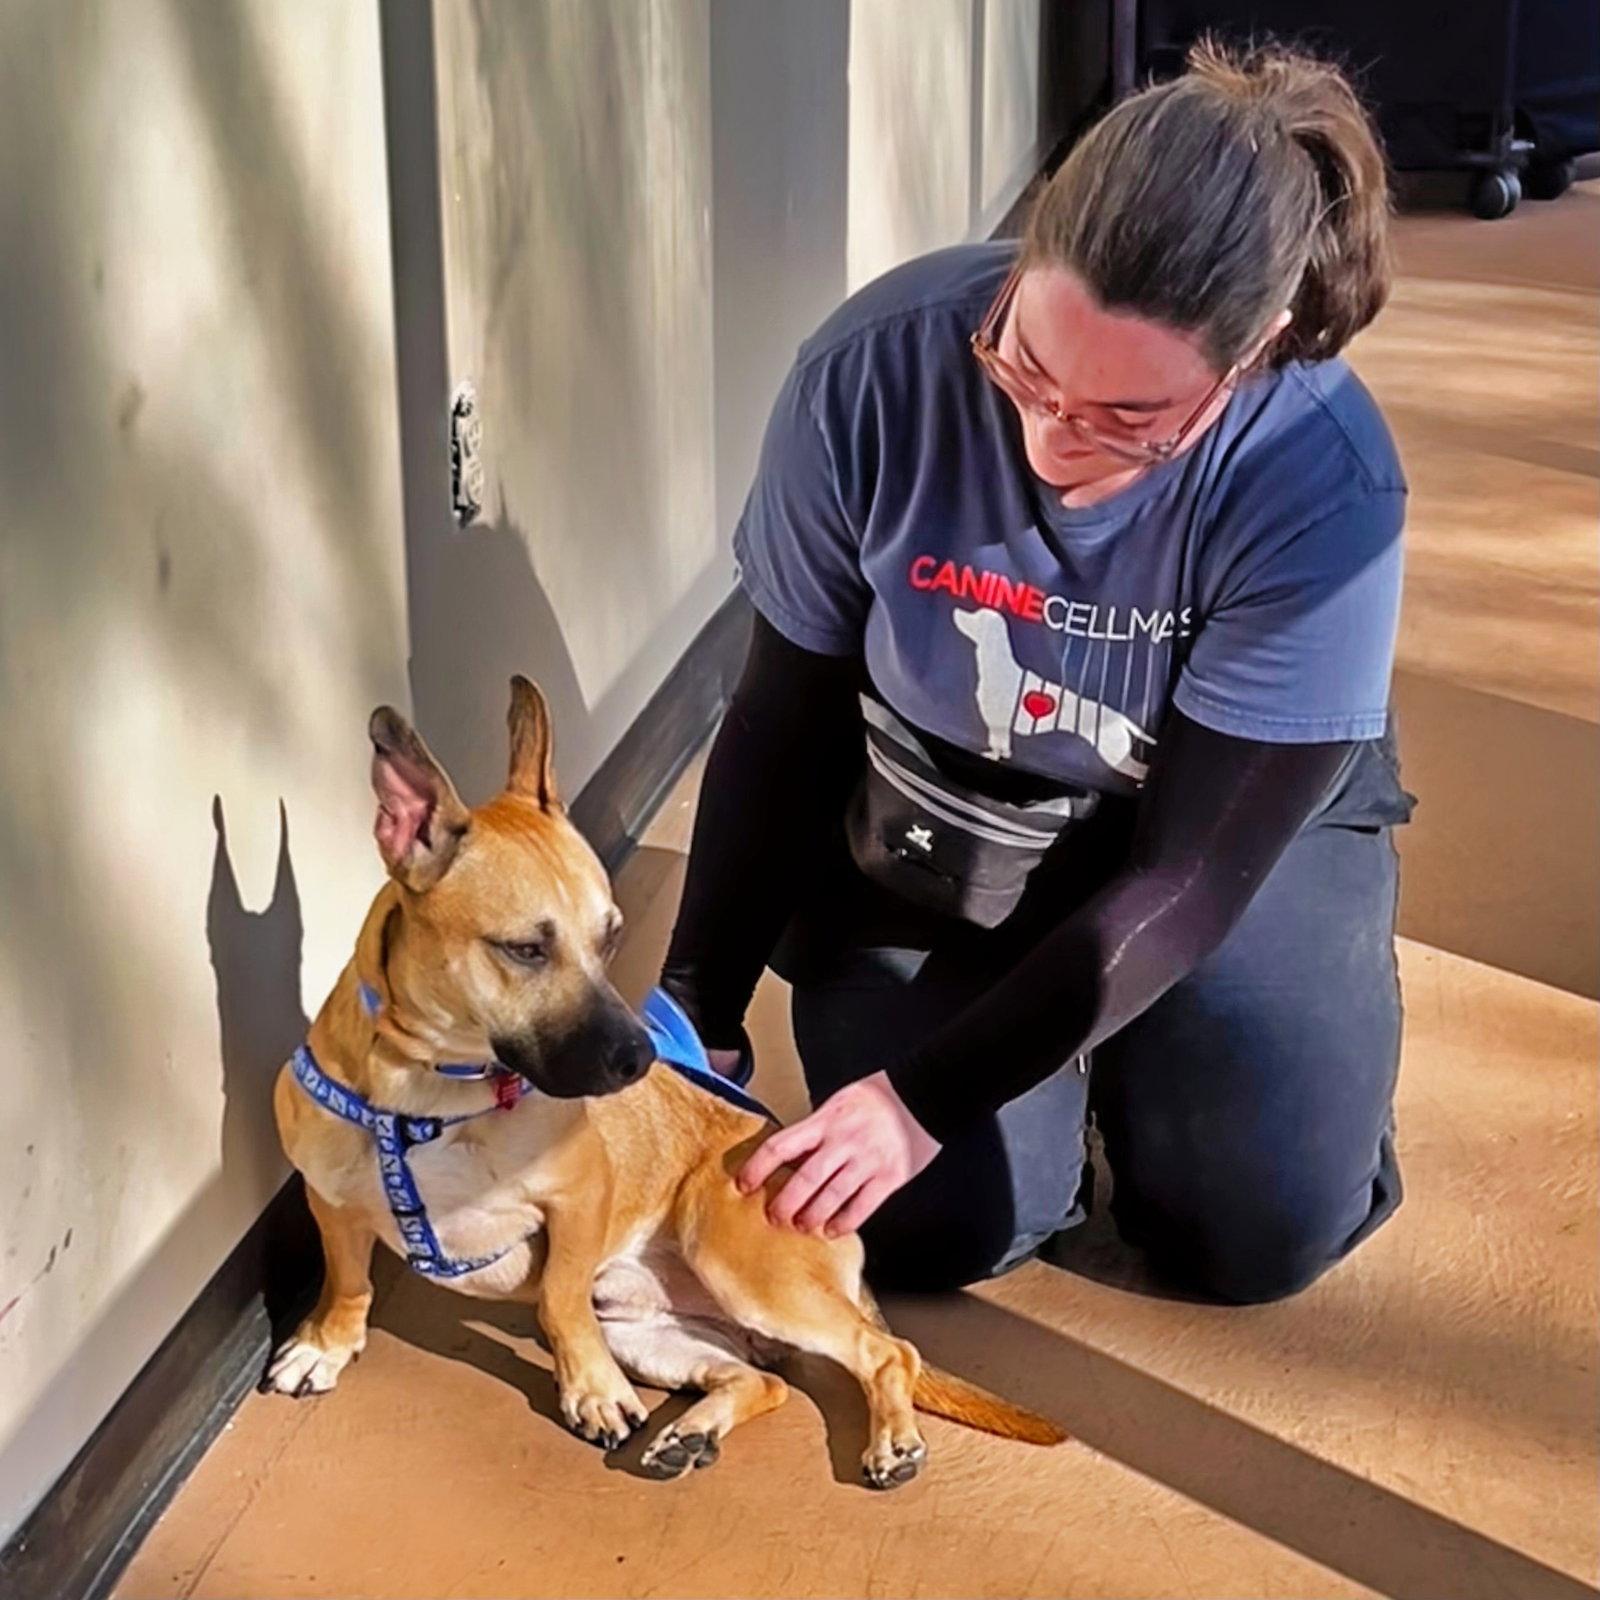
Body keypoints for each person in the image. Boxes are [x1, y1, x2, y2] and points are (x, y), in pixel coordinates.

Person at [657, 39, 1416, 1305]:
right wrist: (694, 1010)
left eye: (1131, 420)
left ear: (1256, 353)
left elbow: (1181, 877)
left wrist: (927, 1094)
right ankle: (1054, 1081)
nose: (1053, 443)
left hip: (1210, 814)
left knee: (1249, 1234)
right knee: (919, 1231)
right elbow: (781, 721)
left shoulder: (1323, 481)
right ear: (1018, 266)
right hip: (955, 795)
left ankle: (1171, 1060)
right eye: (1025, 369)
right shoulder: (867, 377)